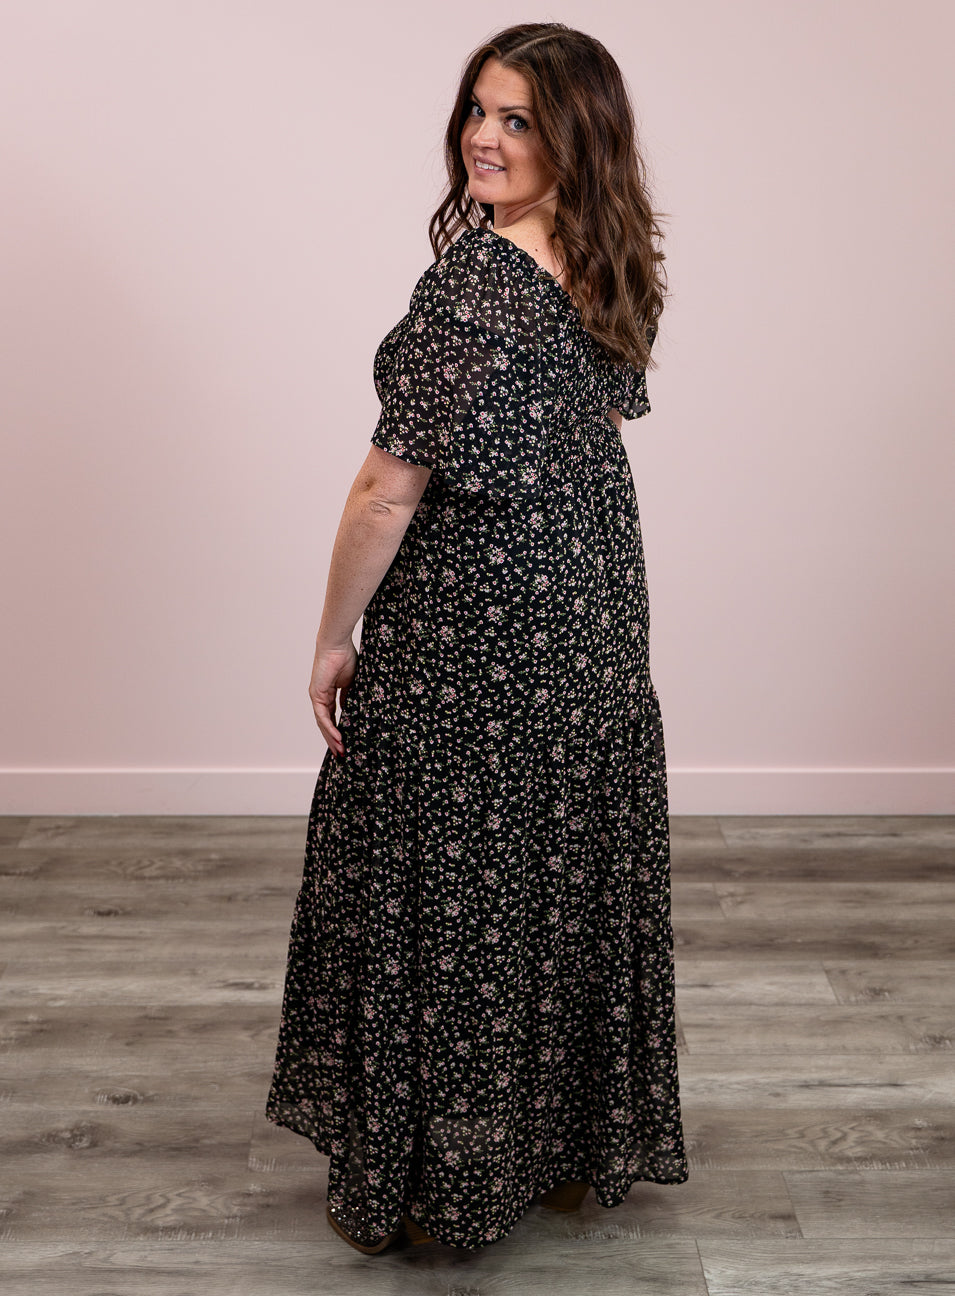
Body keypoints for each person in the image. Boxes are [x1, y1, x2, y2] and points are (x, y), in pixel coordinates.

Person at [266, 21, 689, 1253]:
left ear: (575, 139)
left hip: (474, 638)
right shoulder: (606, 259)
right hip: (591, 624)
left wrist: (333, 635)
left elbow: (384, 493)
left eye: (517, 120)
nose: (483, 139)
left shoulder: (474, 284)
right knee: (549, 878)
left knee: (447, 899)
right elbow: (590, 434)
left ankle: (434, 1186)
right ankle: (546, 1151)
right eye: (477, 110)